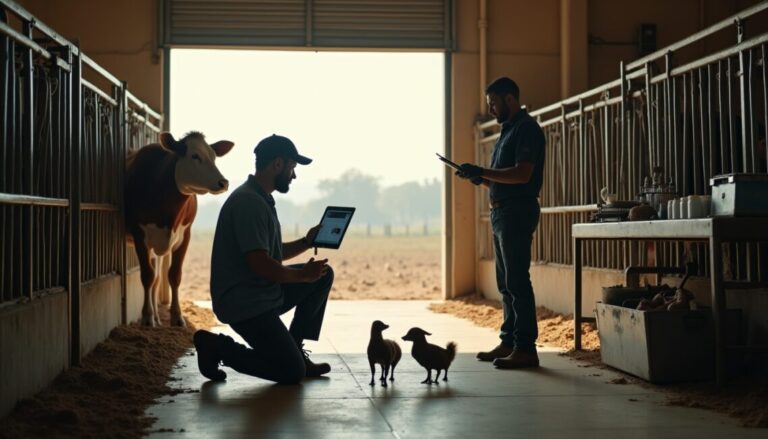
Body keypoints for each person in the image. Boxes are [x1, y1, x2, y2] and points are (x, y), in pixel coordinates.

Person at [193, 134, 334, 384]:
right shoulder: (249, 203)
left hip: (262, 293)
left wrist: (306, 242)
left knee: (323, 275)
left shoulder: (260, 197)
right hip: (245, 303)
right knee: (291, 372)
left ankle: (296, 350)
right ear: (277, 165)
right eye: (292, 168)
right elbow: (260, 263)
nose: (294, 175)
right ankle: (216, 346)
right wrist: (301, 275)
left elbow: (269, 254)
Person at [456, 77, 546, 369]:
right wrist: (481, 178)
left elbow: (522, 175)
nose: (491, 110)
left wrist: (483, 170)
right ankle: (509, 341)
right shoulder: (507, 131)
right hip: (502, 211)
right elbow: (503, 179)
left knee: (517, 280)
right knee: (506, 283)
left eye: (493, 103)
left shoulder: (526, 129)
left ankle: (525, 348)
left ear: (510, 99)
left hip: (516, 212)